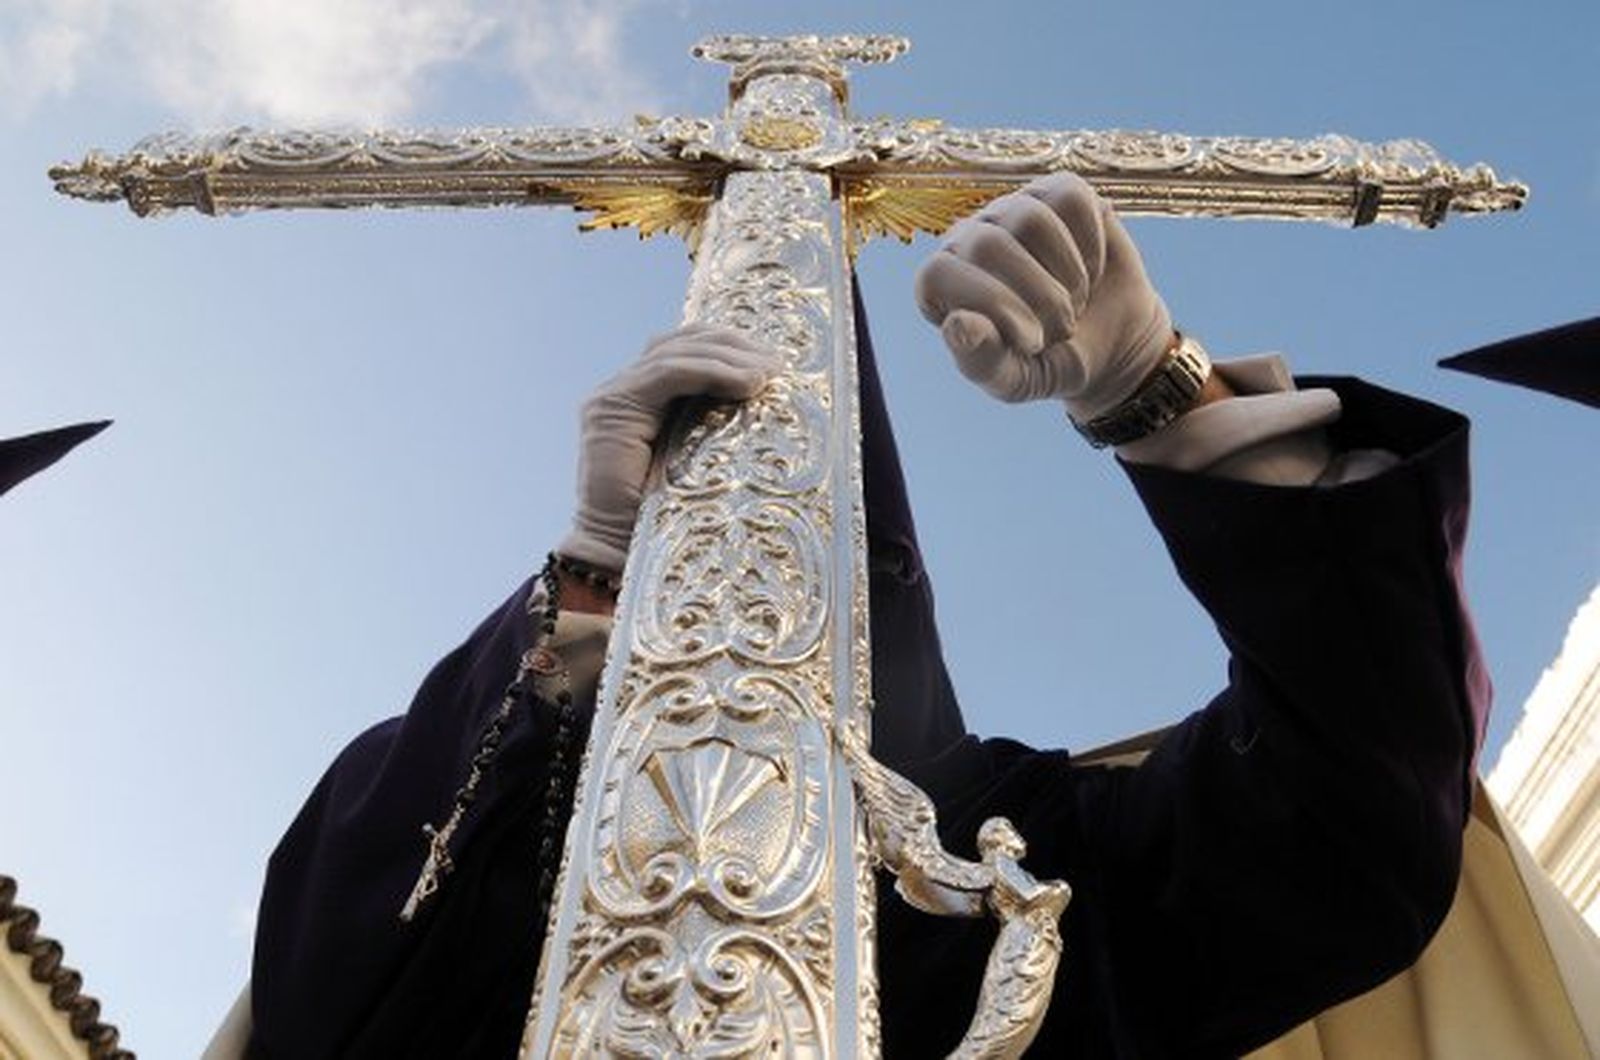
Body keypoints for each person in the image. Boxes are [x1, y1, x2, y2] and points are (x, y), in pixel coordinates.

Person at [218, 174, 1486, 1058]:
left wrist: (1161, 388)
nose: (743, 569)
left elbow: (1347, 827)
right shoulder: (508, 795)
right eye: (689, 514)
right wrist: (593, 583)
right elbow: (322, 991)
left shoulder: (996, 857)